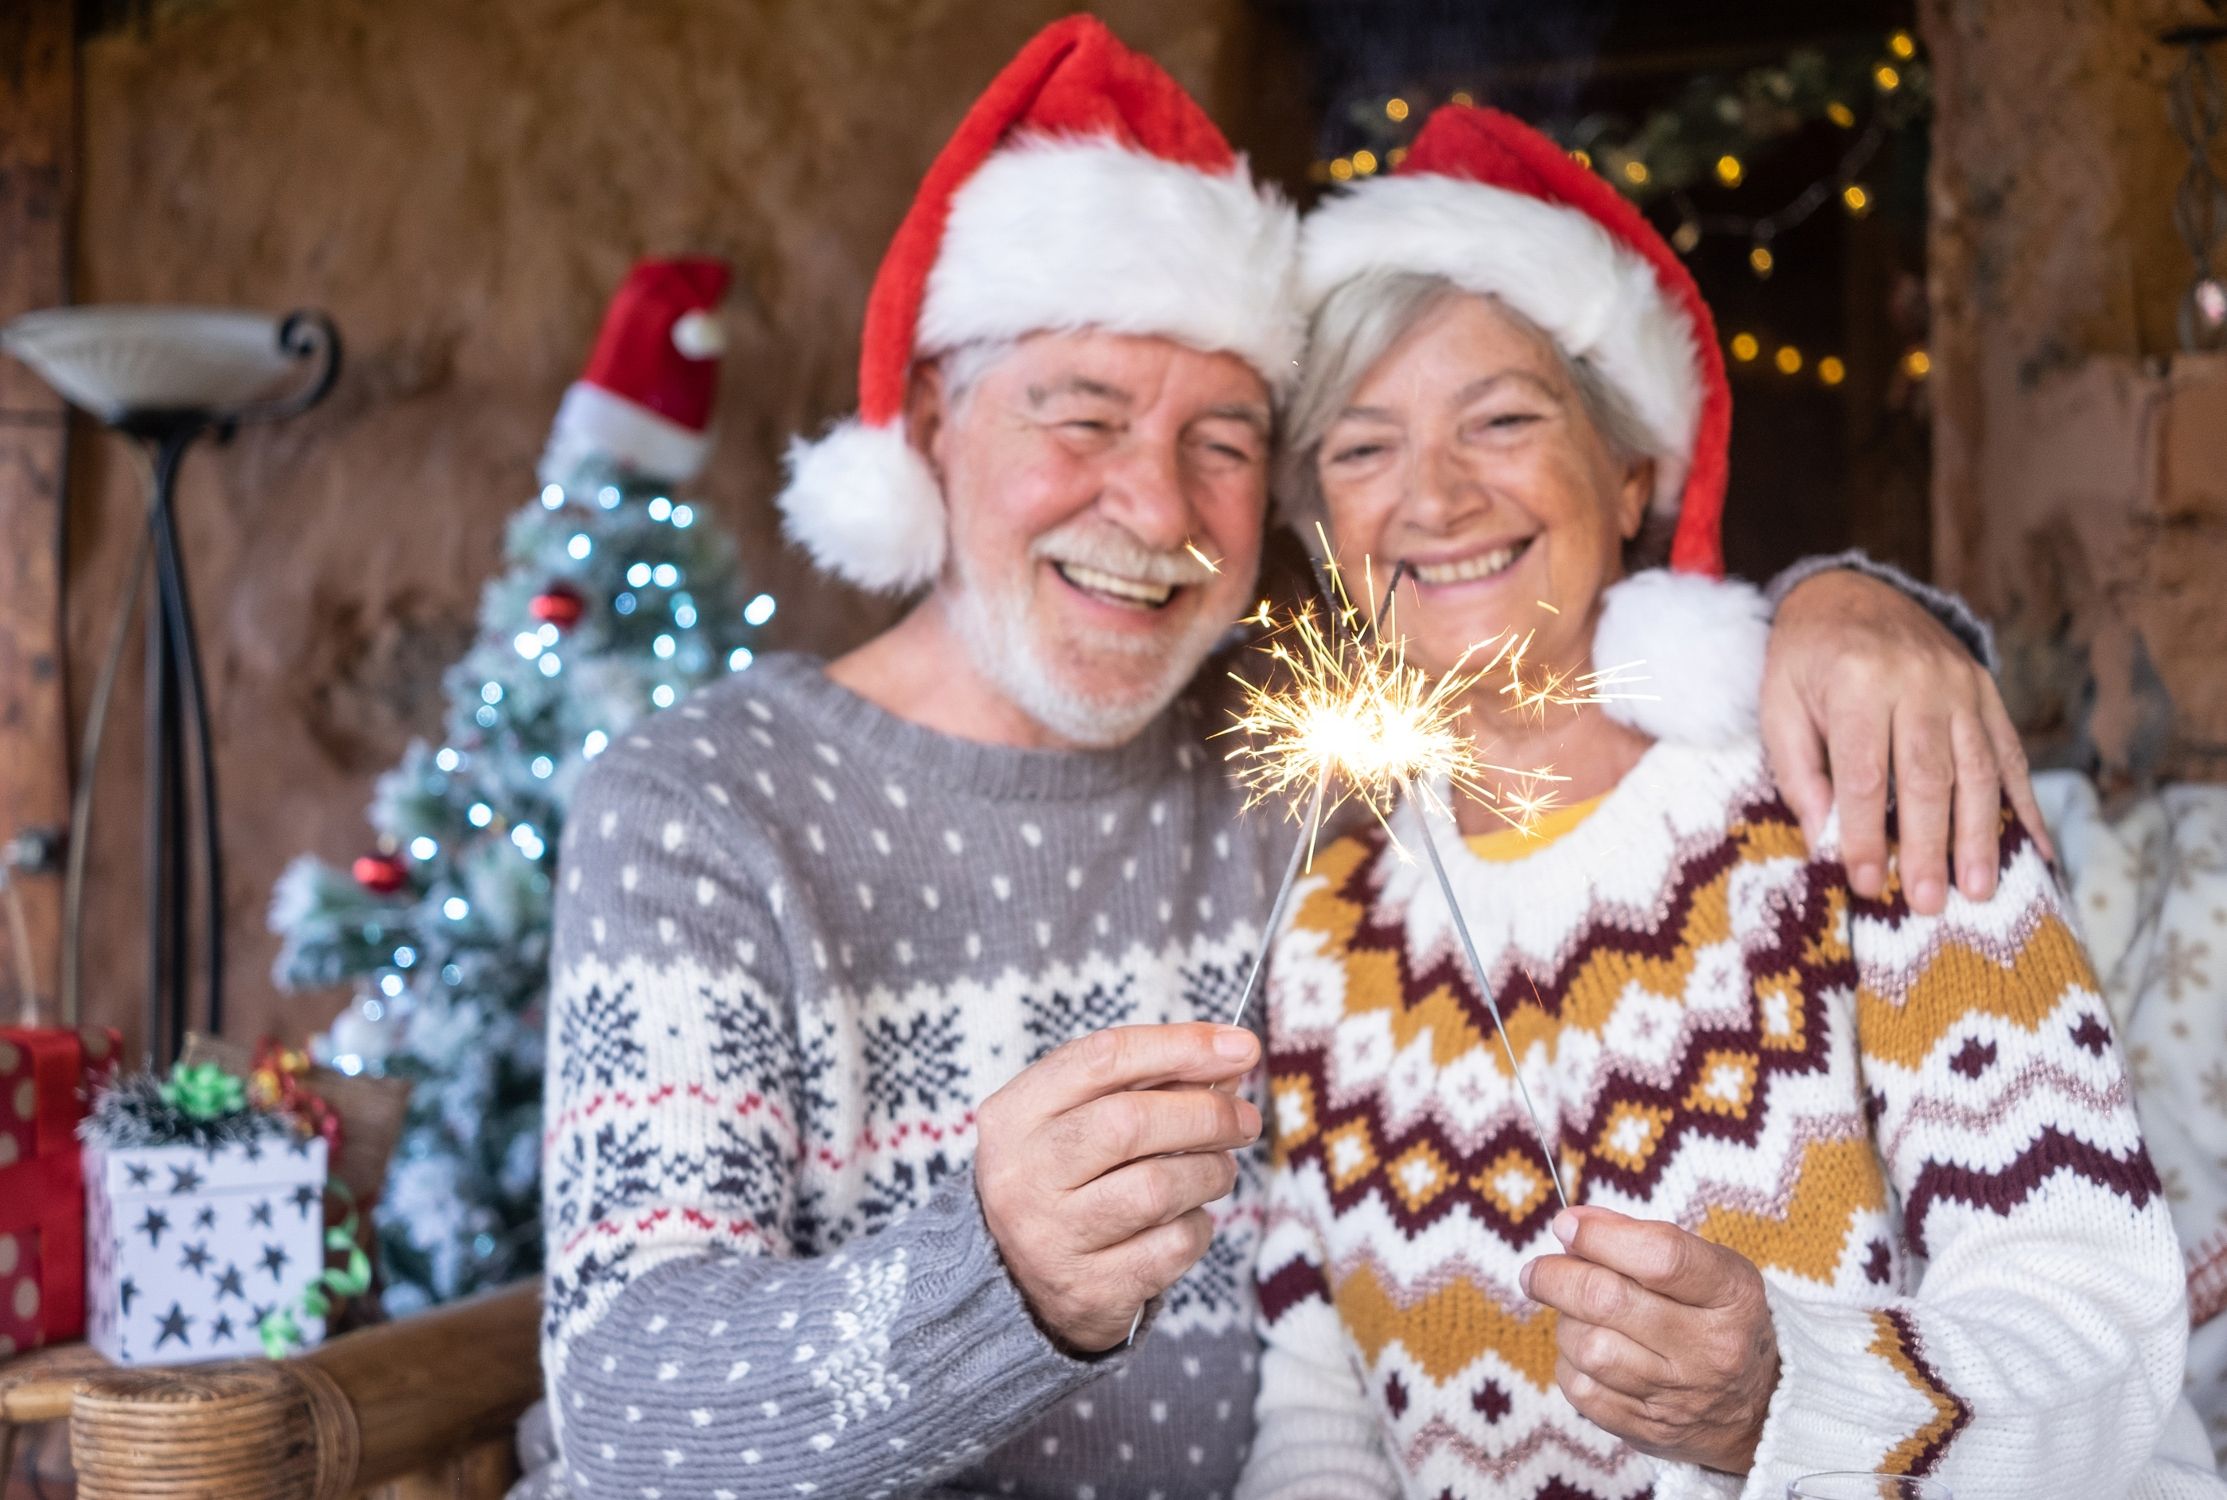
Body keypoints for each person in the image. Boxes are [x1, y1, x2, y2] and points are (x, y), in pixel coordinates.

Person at [517, 20, 2047, 1500]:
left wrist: (1845, 612)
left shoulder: (1300, 770)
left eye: (1227, 442)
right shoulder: (704, 805)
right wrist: (996, 1278)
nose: (1152, 505)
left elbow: (1542, 644)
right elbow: (631, 1407)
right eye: (1084, 412)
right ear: (929, 423)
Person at [1239, 103, 2226, 1498]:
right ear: (1321, 530)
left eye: (1504, 418)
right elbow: (1323, 1405)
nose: (1435, 498)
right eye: (1360, 448)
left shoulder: (1859, 775)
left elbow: (2096, 1332)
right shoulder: (1329, 930)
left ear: (1633, 465)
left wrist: (1785, 1403)